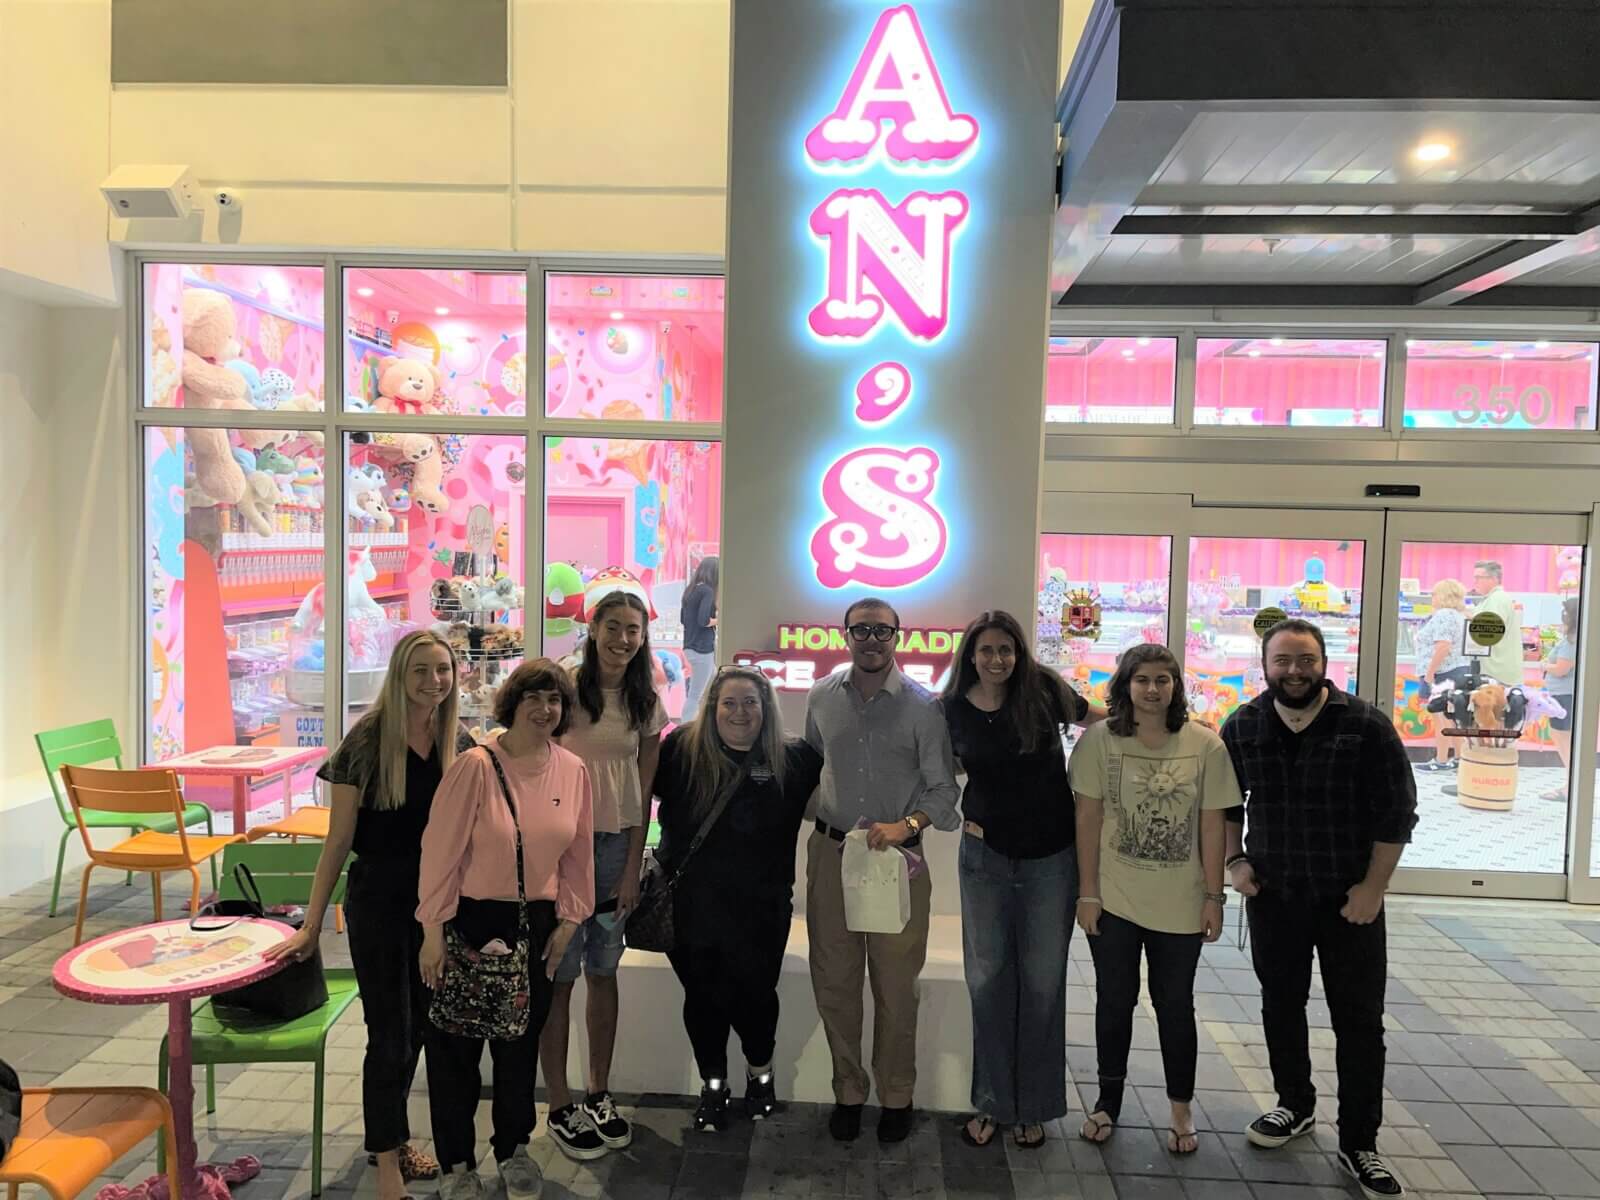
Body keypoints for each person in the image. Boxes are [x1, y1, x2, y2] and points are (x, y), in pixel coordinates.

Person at [265, 631, 473, 1200]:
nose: (435, 680)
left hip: (439, 905)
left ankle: (393, 1137)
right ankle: (386, 1164)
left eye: (443, 669)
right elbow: (337, 842)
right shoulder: (367, 740)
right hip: (380, 900)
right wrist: (310, 923)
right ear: (400, 676)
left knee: (426, 1027)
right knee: (391, 1034)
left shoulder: (458, 739)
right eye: (422, 670)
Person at [1222, 619, 1417, 1200]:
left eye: (1305, 659)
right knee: (1280, 1005)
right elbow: (1228, 805)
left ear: (1323, 662)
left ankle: (1360, 1141)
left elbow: (1396, 814)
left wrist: (1373, 889)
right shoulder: (1245, 725)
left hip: (1349, 901)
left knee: (1358, 1020)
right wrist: (1236, 862)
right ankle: (1294, 1105)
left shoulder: (1366, 727)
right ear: (1265, 665)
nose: (1294, 671)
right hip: (1275, 896)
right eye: (1282, 660)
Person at [418, 659, 596, 1200]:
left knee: (519, 1046)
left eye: (555, 701)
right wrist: (432, 930)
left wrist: (569, 922)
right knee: (456, 1051)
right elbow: (439, 853)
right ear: (512, 704)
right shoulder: (475, 766)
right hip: (469, 919)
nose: (545, 710)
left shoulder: (572, 770)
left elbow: (579, 857)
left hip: (537, 925)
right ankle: (456, 1163)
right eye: (534, 698)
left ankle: (514, 1149)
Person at [939, 610, 1100, 1150]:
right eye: (986, 650)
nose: (997, 659)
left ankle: (1033, 1106)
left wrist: (1161, 719)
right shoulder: (951, 709)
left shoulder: (1044, 691)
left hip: (1051, 862)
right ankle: (991, 1103)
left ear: (1019, 651)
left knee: (1041, 984)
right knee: (987, 983)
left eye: (1006, 649)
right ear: (970, 655)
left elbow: (1098, 717)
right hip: (983, 859)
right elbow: (940, 767)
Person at [1070, 644, 1238, 1155]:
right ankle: (1107, 1101)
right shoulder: (1099, 741)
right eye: (1141, 679)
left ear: (1175, 687)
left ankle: (1181, 1108)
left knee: (1174, 1005)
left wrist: (1215, 896)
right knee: (1114, 1001)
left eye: (1163, 680)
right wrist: (1087, 893)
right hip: (1115, 899)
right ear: (1125, 686)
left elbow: (1214, 826)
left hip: (1181, 903)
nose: (1152, 689)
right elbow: (1088, 820)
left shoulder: (1205, 745)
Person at [804, 597, 960, 1144]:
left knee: (895, 987)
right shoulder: (822, 696)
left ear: (899, 636)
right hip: (831, 856)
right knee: (835, 982)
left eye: (883, 631)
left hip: (898, 860)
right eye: (861, 629)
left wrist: (908, 825)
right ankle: (849, 1090)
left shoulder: (924, 707)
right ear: (845, 634)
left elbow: (944, 791)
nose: (872, 639)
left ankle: (897, 1095)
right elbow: (810, 768)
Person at [654, 665, 824, 1130]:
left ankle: (760, 1072)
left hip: (762, 908)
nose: (740, 712)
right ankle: (713, 1085)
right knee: (703, 999)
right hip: (691, 906)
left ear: (766, 707)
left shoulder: (797, 759)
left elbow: (836, 802)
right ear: (711, 707)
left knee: (755, 996)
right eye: (728, 702)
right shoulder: (680, 752)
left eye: (750, 702)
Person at [540, 591, 666, 1160]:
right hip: (562, 846)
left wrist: (634, 867)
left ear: (643, 636)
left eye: (632, 630)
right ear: (592, 628)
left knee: (603, 969)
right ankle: (560, 1103)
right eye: (612, 626)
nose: (622, 639)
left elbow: (644, 792)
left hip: (617, 846)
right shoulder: (564, 687)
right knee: (559, 974)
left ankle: (598, 1092)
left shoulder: (644, 697)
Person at [1415, 579, 1469, 772]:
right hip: (1456, 672)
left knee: (1442, 718)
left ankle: (1441, 760)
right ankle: (1459, 759)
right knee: (1453, 717)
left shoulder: (1444, 615)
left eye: (1434, 593)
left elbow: (1443, 646)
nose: (1432, 597)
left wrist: (1429, 676)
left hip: (1443, 674)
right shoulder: (1458, 616)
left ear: (1444, 595)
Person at [1541, 596, 1579, 802]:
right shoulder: (1576, 638)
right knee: (1565, 739)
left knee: (1563, 740)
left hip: (1564, 695)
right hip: (1566, 694)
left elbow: (1562, 669)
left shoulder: (1572, 640)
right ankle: (1571, 783)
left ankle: (1570, 785)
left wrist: (1545, 666)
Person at [1473, 560, 1525, 688]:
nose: (1475, 581)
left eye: (1478, 577)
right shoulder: (1491, 599)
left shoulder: (1497, 599)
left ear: (1493, 579)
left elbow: (1488, 630)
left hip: (1499, 673)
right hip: (1496, 670)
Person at [680, 556, 719, 718]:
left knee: (713, 682)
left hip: (690, 646)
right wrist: (720, 619)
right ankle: (687, 728)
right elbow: (703, 620)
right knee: (696, 695)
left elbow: (683, 619)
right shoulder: (708, 591)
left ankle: (700, 723)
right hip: (703, 648)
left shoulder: (691, 590)